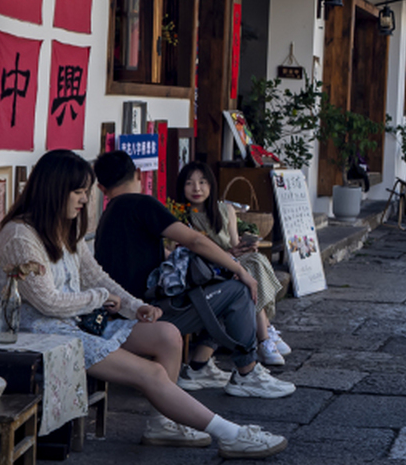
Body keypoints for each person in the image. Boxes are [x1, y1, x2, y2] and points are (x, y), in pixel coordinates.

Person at [0, 150, 285, 458]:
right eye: (78, 192)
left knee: (167, 334)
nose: (83, 200)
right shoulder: (20, 236)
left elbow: (96, 277)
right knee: (151, 374)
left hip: (78, 322)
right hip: (46, 335)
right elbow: (49, 302)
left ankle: (163, 424)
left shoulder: (64, 229)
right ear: (54, 190)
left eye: (86, 192)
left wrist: (133, 306)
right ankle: (231, 434)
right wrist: (103, 300)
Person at [91, 150, 294, 399]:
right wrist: (239, 268)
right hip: (147, 314)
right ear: (138, 174)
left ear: (101, 187)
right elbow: (195, 241)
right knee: (237, 291)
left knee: (220, 288)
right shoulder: (141, 203)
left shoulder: (108, 216)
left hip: (125, 313)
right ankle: (247, 373)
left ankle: (200, 367)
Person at [173, 161, 289, 368]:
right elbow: (187, 254)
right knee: (249, 269)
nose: (197, 188)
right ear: (182, 187)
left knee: (255, 259)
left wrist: (245, 247)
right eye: (189, 183)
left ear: (211, 185)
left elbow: (234, 243)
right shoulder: (181, 216)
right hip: (207, 269)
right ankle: (265, 337)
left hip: (232, 263)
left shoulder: (225, 209)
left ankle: (264, 336)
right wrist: (227, 255)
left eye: (202, 182)